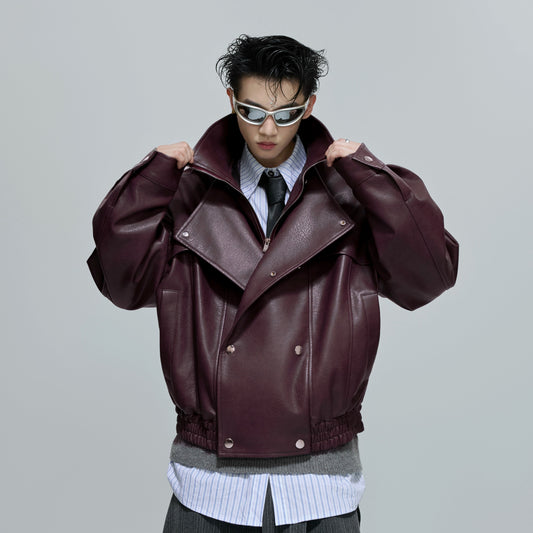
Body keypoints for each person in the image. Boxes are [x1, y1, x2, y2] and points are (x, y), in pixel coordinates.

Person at [87, 34, 459, 532]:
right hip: (208, 486)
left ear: (309, 107)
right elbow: (122, 284)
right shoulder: (188, 193)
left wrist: (373, 177)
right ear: (230, 100)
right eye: (252, 111)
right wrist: (149, 183)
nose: (267, 129)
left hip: (320, 489)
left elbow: (428, 277)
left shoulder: (349, 193)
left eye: (286, 114)